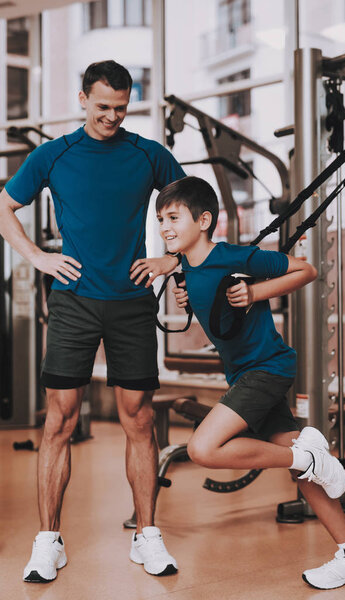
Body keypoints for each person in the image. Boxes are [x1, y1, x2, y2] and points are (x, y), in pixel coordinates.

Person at [0, 60, 185, 582]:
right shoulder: (53, 155)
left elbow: (195, 213)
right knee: (58, 419)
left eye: (121, 108)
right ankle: (47, 542)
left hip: (131, 301)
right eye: (102, 106)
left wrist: (170, 260)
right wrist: (37, 257)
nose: (111, 116)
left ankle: (147, 535)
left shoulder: (149, 154)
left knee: (139, 419)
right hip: (73, 302)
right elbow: (3, 206)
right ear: (82, 98)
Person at [155, 175, 345, 591]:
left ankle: (308, 459)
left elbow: (306, 269)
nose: (164, 226)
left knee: (204, 448)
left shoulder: (231, 256)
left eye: (172, 217)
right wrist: (189, 295)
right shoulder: (187, 265)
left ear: (203, 220)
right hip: (244, 372)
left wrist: (255, 293)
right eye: (160, 219)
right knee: (299, 464)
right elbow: (190, 277)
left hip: (268, 368)